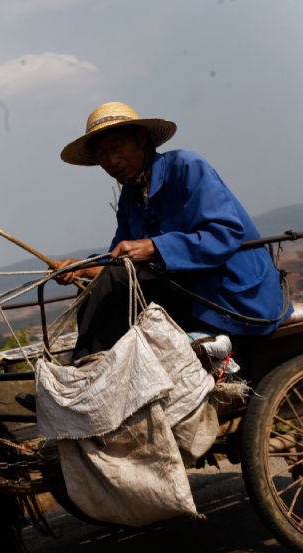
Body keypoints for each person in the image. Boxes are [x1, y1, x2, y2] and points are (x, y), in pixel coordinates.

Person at [53, 101, 289, 361]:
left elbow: (225, 234)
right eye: (102, 154)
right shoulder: (130, 197)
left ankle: (87, 375)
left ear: (141, 139)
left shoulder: (186, 167)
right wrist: (82, 268)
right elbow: (120, 264)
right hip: (187, 296)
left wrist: (153, 247)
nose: (112, 161)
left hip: (232, 297)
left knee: (112, 282)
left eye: (117, 147)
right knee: (98, 284)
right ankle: (92, 367)